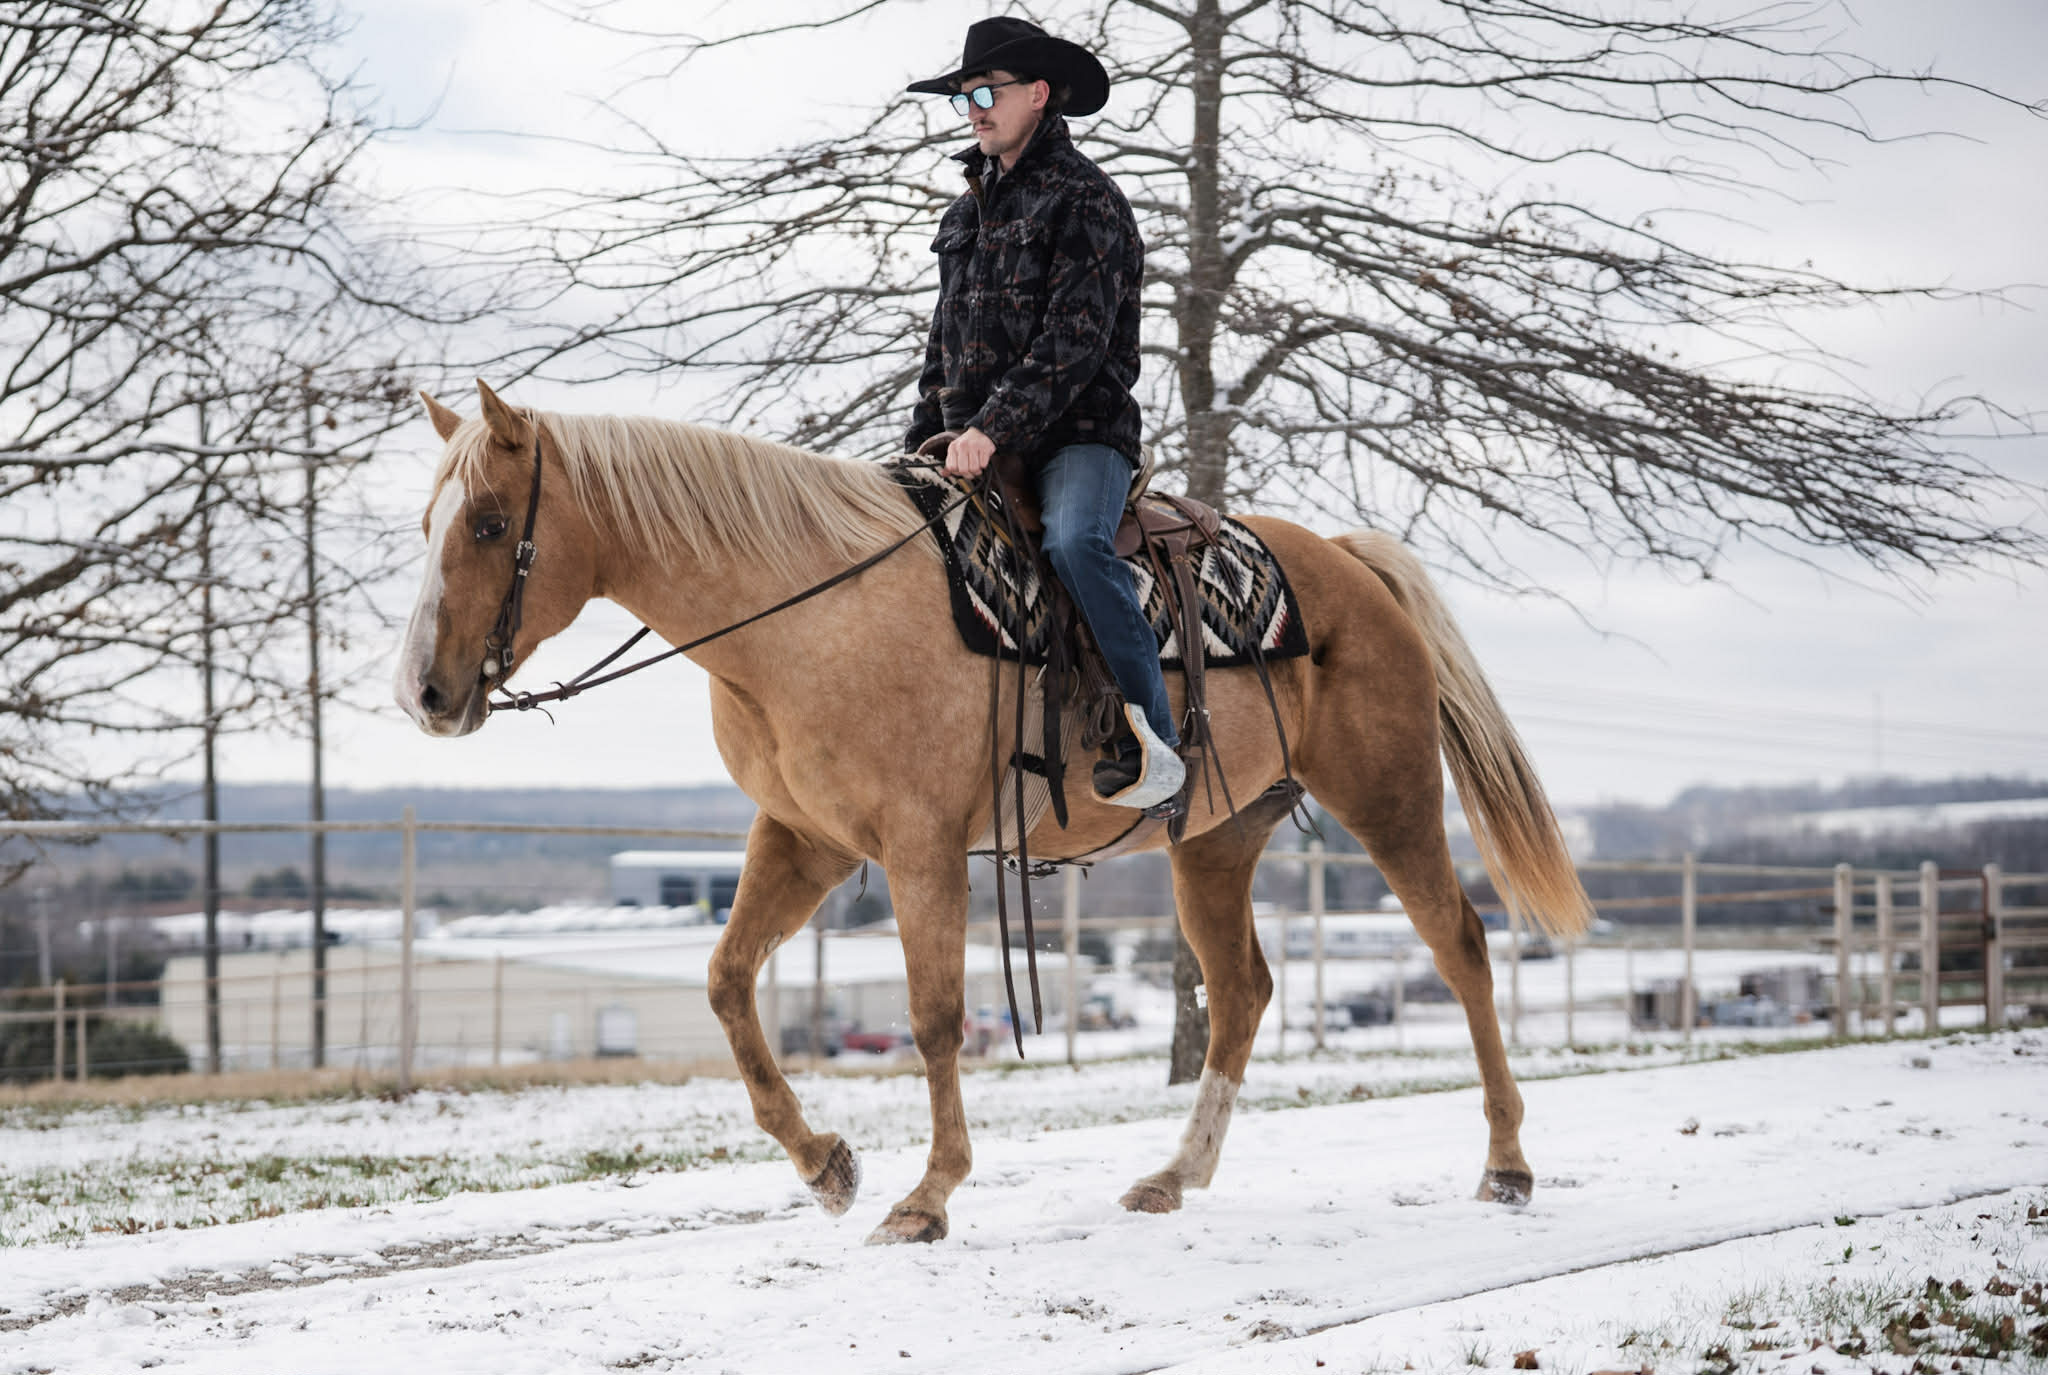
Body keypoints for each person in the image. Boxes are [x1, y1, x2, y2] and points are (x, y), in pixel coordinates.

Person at [904, 17, 1184, 813]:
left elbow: (1078, 339)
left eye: (987, 93)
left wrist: (993, 428)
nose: (975, 110)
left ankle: (1153, 742)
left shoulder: (1087, 199)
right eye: (965, 97)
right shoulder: (964, 215)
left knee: (1074, 542)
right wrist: (916, 442)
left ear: (1038, 95)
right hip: (967, 436)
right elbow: (943, 343)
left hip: (1079, 432)